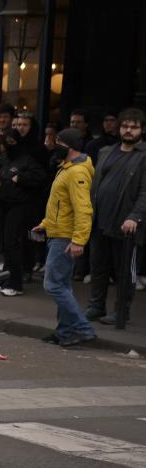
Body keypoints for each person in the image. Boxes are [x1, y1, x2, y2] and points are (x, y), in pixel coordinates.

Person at [32, 128, 97, 346]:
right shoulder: (67, 168)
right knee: (63, 285)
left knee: (53, 285)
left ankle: (81, 328)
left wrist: (78, 240)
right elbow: (61, 205)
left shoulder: (76, 173)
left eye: (57, 142)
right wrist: (45, 225)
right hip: (59, 233)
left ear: (68, 147)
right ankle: (65, 332)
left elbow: (83, 209)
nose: (52, 145)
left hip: (65, 237)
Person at [86, 108, 146, 325]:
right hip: (100, 219)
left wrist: (135, 217)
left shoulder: (143, 156)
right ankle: (96, 306)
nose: (128, 130)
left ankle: (122, 312)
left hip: (127, 224)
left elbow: (145, 192)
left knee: (124, 271)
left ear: (142, 130)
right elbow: (95, 184)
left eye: (134, 127)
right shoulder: (105, 151)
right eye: (125, 126)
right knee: (98, 266)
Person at [0, 115, 47, 296]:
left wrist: (21, 178)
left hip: (20, 205)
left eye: (13, 140)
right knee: (6, 242)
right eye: (7, 141)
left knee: (12, 241)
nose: (10, 143)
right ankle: (7, 278)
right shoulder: (3, 158)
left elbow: (40, 177)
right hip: (3, 204)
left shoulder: (27, 159)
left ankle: (15, 282)